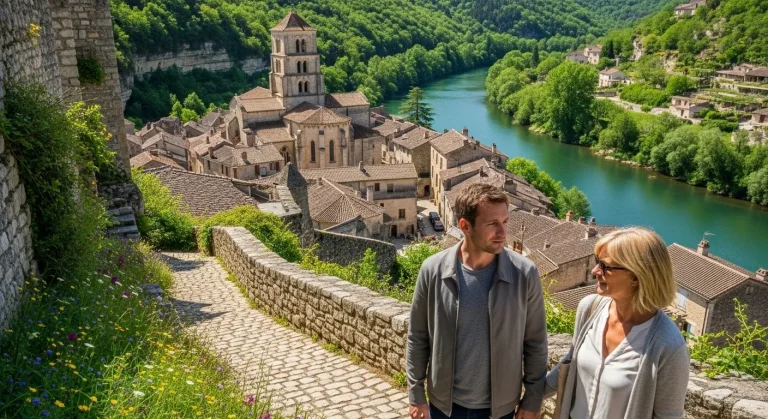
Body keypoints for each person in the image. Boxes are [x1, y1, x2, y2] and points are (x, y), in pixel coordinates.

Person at [407, 183, 548, 419]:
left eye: (505, 222)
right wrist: (416, 393)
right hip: (444, 407)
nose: (502, 233)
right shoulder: (432, 270)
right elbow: (418, 336)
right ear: (465, 226)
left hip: (499, 411)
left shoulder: (525, 274)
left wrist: (533, 399)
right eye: (492, 224)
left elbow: (535, 342)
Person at [545, 227, 689, 419]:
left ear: (637, 276)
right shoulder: (589, 309)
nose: (595, 271)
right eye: (597, 262)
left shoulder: (669, 346)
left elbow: (668, 416)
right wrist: (532, 398)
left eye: (605, 266)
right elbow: (569, 364)